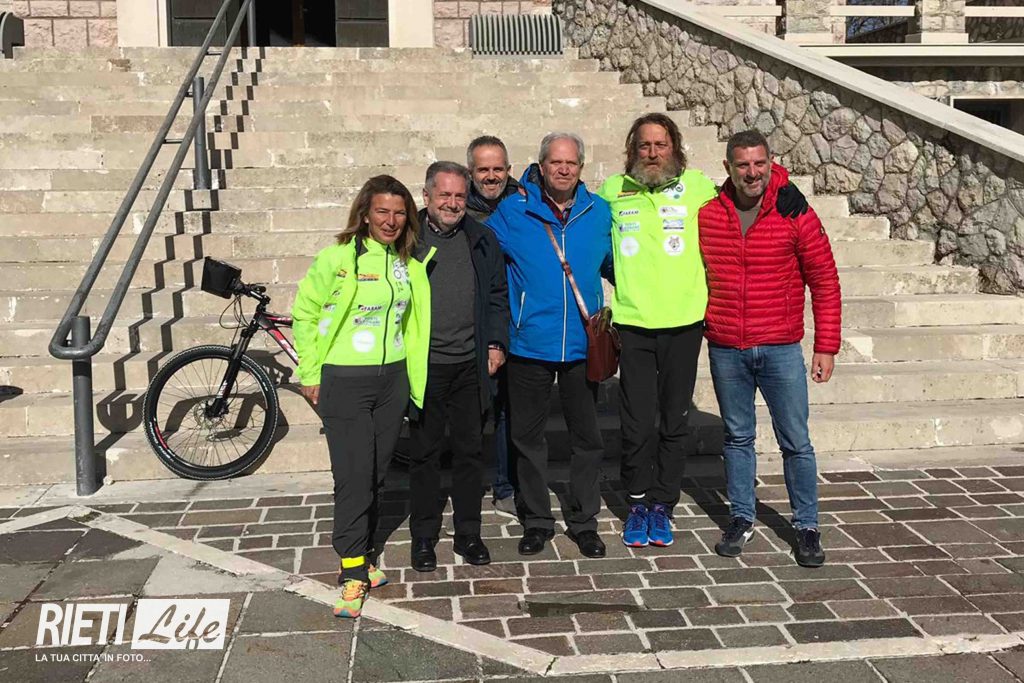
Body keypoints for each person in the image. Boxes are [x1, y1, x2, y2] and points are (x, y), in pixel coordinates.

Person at [598, 113, 810, 549]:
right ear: (632, 150)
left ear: (675, 148)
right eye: (644, 145)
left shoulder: (696, 187)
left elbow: (748, 182)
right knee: (636, 424)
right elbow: (576, 214)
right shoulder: (613, 190)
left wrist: (785, 186)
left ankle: (663, 504)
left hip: (685, 324)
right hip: (633, 325)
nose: (652, 153)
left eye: (661, 144)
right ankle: (637, 503)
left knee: (674, 422)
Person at [292, 175, 434, 618]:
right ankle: (352, 570)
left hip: (392, 380)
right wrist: (310, 371)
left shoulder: (406, 262)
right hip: (345, 380)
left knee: (375, 474)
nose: (391, 221)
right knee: (353, 477)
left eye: (399, 213)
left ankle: (364, 554)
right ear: (365, 215)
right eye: (382, 212)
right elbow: (304, 313)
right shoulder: (337, 258)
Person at [698, 130, 841, 568]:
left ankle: (807, 525)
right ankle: (741, 517)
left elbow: (824, 279)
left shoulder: (793, 211)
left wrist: (826, 346)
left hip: (780, 347)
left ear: (771, 162)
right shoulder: (707, 213)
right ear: (728, 167)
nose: (752, 172)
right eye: (742, 164)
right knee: (737, 437)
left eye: (759, 163)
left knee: (796, 441)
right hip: (727, 347)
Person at [487, 132, 614, 559]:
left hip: (582, 344)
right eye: (555, 162)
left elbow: (617, 264)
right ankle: (537, 520)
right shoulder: (514, 210)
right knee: (527, 439)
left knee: (587, 439)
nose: (563, 169)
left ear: (581, 168)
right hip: (529, 343)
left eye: (571, 163)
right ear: (540, 167)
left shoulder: (599, 212)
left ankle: (584, 522)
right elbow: (479, 250)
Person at [407, 161, 510, 572]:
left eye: (459, 196)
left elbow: (497, 295)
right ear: (426, 195)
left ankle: (469, 533)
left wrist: (496, 342)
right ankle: (423, 536)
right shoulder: (406, 238)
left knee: (470, 453)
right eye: (444, 195)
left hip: (470, 364)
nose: (452, 203)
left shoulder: (482, 238)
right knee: (425, 454)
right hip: (425, 365)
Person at [465, 135, 522, 518]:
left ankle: (506, 487)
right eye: (483, 169)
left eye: (498, 169)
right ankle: (465, 490)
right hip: (474, 324)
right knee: (473, 412)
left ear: (508, 170)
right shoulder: (458, 207)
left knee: (510, 410)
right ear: (471, 172)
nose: (491, 176)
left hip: (519, 320)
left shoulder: (524, 202)